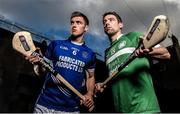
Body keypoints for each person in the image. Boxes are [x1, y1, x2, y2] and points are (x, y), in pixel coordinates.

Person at [95, 11, 170, 113]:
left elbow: (166, 54)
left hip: (144, 108)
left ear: (120, 24)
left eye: (111, 20)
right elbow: (116, 76)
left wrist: (148, 52)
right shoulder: (107, 52)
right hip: (121, 110)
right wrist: (103, 84)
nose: (107, 23)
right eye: (104, 22)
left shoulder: (134, 36)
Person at [25, 11, 96, 113]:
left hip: (71, 109)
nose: (74, 25)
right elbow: (41, 71)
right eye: (72, 22)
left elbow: (91, 76)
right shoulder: (55, 45)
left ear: (86, 28)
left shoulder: (90, 54)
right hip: (45, 104)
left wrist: (89, 94)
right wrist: (39, 63)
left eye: (78, 22)